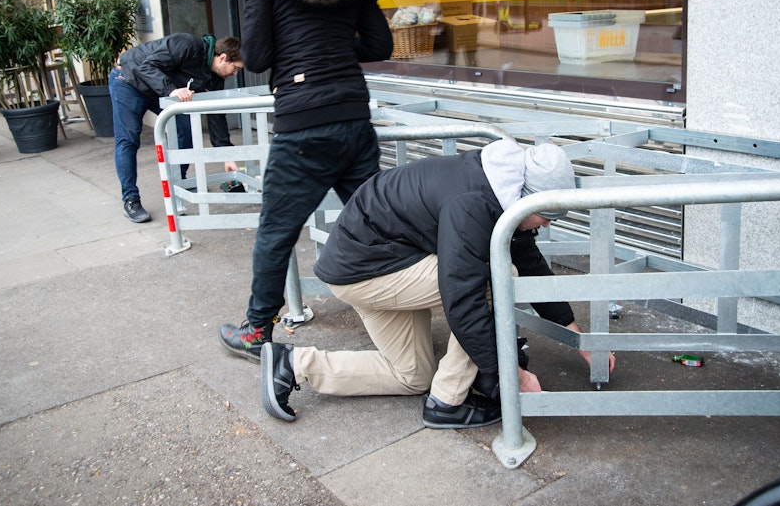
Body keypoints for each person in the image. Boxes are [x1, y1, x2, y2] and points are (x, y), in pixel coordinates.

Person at [258, 140, 615, 426]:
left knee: (412, 375)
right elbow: (463, 299)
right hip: (367, 271)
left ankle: (293, 364)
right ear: (525, 196)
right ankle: (448, 401)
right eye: (545, 215)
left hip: (370, 262)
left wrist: (579, 339)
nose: (547, 224)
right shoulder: (474, 205)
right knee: (498, 278)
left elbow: (530, 262)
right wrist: (512, 376)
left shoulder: (501, 187)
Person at [219, 0, 394, 360]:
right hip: (353, 118)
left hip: (303, 124)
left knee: (276, 232)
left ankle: (257, 331)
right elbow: (379, 46)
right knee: (381, 223)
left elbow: (257, 56)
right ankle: (415, 307)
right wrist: (334, 48)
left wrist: (302, 51)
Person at [110, 33, 243, 223]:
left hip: (158, 89)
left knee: (186, 128)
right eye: (235, 68)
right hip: (129, 79)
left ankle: (178, 182)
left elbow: (216, 116)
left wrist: (226, 155)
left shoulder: (215, 77)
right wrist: (171, 90)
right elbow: (147, 66)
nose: (235, 74)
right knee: (128, 139)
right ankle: (130, 199)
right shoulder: (187, 44)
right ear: (222, 58)